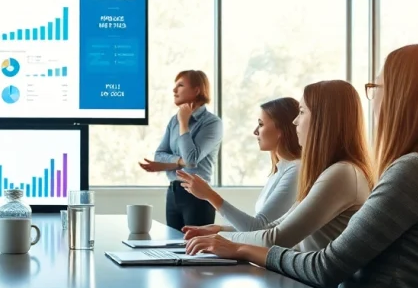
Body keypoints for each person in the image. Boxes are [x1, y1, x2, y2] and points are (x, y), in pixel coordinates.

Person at [187, 45, 418, 288]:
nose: (373, 98)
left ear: (403, 97)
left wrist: (239, 248)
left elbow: (325, 268)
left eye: (376, 87)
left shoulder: (415, 172)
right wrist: (230, 239)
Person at [189, 80, 373, 252]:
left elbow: (274, 238)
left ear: (323, 119)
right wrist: (220, 232)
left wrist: (221, 236)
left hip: (314, 286)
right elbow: (274, 227)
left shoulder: (342, 174)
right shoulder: (330, 172)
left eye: (301, 112)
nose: (295, 121)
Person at [178, 97, 302, 234]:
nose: (255, 131)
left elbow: (258, 229)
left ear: (281, 130)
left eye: (261, 125)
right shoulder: (280, 170)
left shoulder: (295, 170)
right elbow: (264, 228)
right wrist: (218, 230)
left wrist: (209, 195)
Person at [139, 70, 223, 228]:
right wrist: (179, 161)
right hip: (173, 193)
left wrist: (184, 123)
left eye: (180, 85)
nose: (174, 90)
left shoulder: (212, 123)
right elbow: (159, 155)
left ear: (197, 90)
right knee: (172, 247)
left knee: (195, 249)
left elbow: (191, 159)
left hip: (197, 195)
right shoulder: (174, 121)